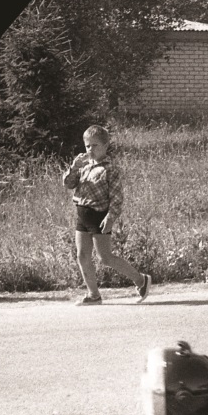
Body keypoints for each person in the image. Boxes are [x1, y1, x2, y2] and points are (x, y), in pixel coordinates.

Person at [62, 124, 151, 305]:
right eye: (87, 146)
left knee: (105, 257)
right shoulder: (83, 165)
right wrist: (73, 168)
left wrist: (110, 217)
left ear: (105, 146)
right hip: (82, 214)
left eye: (95, 145)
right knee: (82, 255)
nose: (90, 149)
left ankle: (141, 280)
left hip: (99, 216)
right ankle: (93, 295)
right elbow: (69, 184)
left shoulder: (110, 168)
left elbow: (117, 197)